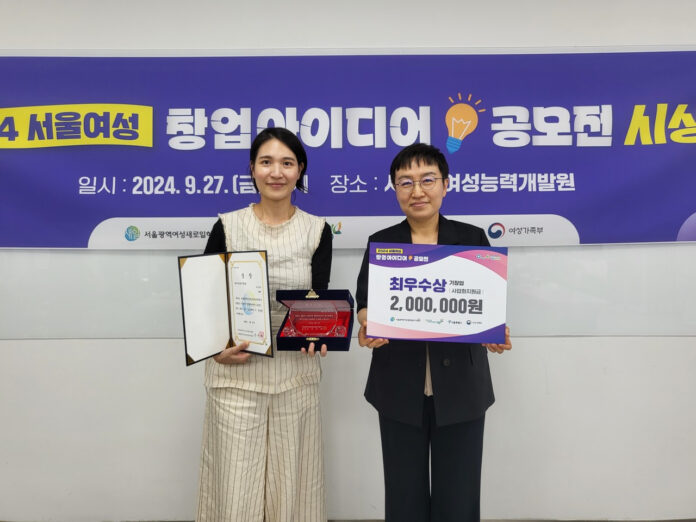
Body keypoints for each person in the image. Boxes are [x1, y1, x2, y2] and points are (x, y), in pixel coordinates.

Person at [355, 143, 512, 522]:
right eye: (405, 182)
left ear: (445, 184)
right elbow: (365, 304)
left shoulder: (472, 239)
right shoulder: (382, 242)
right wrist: (366, 325)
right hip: (397, 388)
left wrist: (493, 332)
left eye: (427, 180)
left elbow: (486, 305)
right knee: (403, 499)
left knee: (458, 500)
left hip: (461, 391)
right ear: (395, 188)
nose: (417, 191)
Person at [196, 127, 332, 522]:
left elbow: (319, 300)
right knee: (236, 489)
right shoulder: (227, 226)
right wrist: (215, 349)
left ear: (299, 170)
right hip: (235, 376)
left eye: (287, 163)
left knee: (291, 488)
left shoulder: (318, 230)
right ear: (252, 169)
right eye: (266, 162)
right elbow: (204, 299)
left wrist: (322, 333)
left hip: (295, 377)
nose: (276, 172)